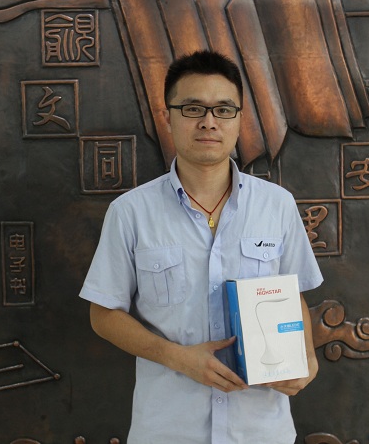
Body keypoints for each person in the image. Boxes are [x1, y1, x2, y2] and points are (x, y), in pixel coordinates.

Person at [80, 50, 323, 443]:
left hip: (260, 430)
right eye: (193, 108)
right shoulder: (130, 212)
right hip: (168, 431)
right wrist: (178, 358)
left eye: (223, 110)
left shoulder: (277, 205)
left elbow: (293, 296)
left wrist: (307, 357)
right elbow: (103, 315)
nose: (209, 122)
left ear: (240, 118)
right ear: (168, 117)